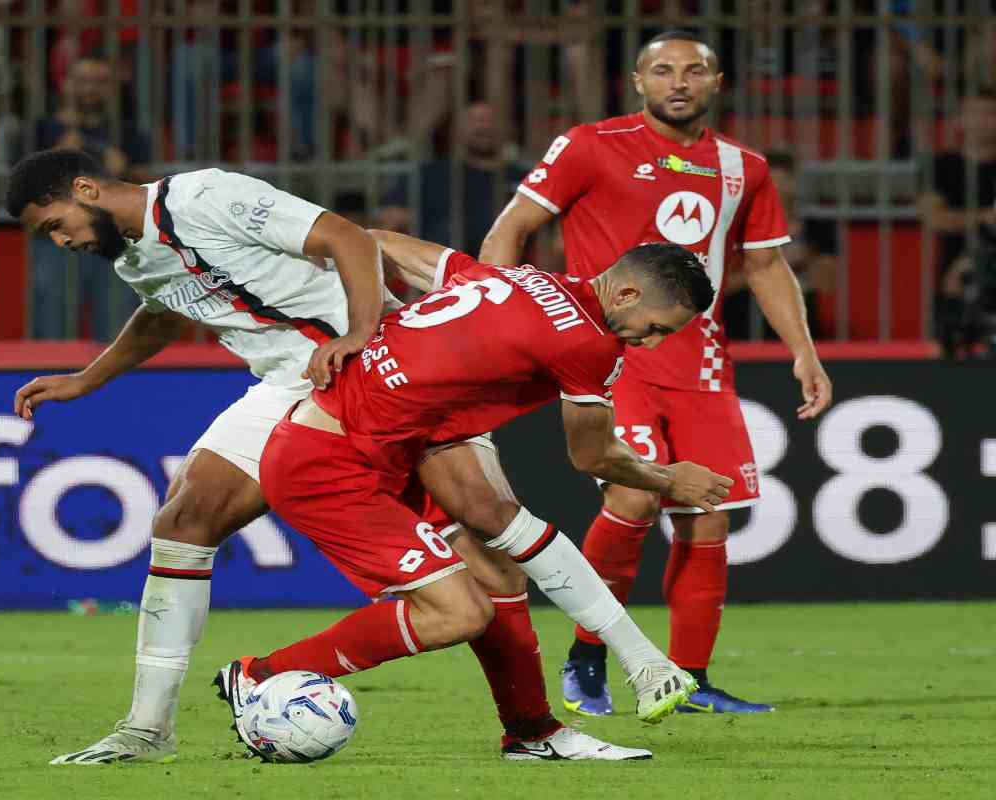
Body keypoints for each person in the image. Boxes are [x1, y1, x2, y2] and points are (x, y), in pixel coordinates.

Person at [4, 150, 626, 765]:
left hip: (378, 371)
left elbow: (347, 238)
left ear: (84, 188)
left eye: (55, 225)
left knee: (489, 571)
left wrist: (358, 334)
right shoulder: (133, 253)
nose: (60, 241)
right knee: (182, 523)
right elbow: (164, 313)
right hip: (287, 384)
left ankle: (533, 731)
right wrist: (87, 379)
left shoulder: (206, 198)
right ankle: (146, 729)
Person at [215, 231, 731, 759]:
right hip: (330, 466)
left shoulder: (516, 277)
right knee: (458, 613)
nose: (651, 343)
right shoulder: (587, 343)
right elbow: (592, 457)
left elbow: (369, 241)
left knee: (499, 570)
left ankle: (534, 733)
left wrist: (356, 314)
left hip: (388, 446)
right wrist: (669, 478)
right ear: (625, 295)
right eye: (655, 328)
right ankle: (258, 675)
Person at [479, 29, 833, 715]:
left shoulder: (743, 167)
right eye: (663, 70)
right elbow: (512, 226)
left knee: (710, 518)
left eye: (695, 71)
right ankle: (587, 659)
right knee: (633, 499)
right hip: (613, 357)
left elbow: (763, 264)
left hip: (700, 366)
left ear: (718, 83)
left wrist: (804, 351)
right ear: (639, 82)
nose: (680, 82)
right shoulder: (590, 145)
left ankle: (691, 679)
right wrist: (496, 310)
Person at [27, 55, 149, 340]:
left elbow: (146, 187)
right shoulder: (43, 129)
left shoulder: (129, 131)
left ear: (112, 88)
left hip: (115, 242)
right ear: (66, 84)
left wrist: (122, 169)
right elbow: (26, 188)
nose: (89, 89)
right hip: (57, 242)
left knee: (117, 335)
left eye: (98, 82)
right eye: (81, 81)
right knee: (52, 332)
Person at [376, 102, 524, 258]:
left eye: (490, 120)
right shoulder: (431, 174)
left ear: (508, 129)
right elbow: (391, 221)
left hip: (512, 273)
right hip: (442, 272)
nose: (483, 127)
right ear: (456, 130)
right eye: (474, 120)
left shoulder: (524, 178)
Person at [722, 150, 836, 340]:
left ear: (796, 183)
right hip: (742, 332)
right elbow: (714, 288)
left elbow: (828, 283)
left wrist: (807, 258)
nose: (779, 188)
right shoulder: (732, 226)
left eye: (785, 180)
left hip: (801, 334)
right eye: (771, 182)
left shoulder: (817, 227)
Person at [918, 88, 996, 356]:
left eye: (990, 113)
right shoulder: (941, 165)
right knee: (947, 348)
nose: (984, 120)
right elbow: (934, 219)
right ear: (960, 120)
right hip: (951, 276)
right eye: (976, 113)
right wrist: (985, 217)